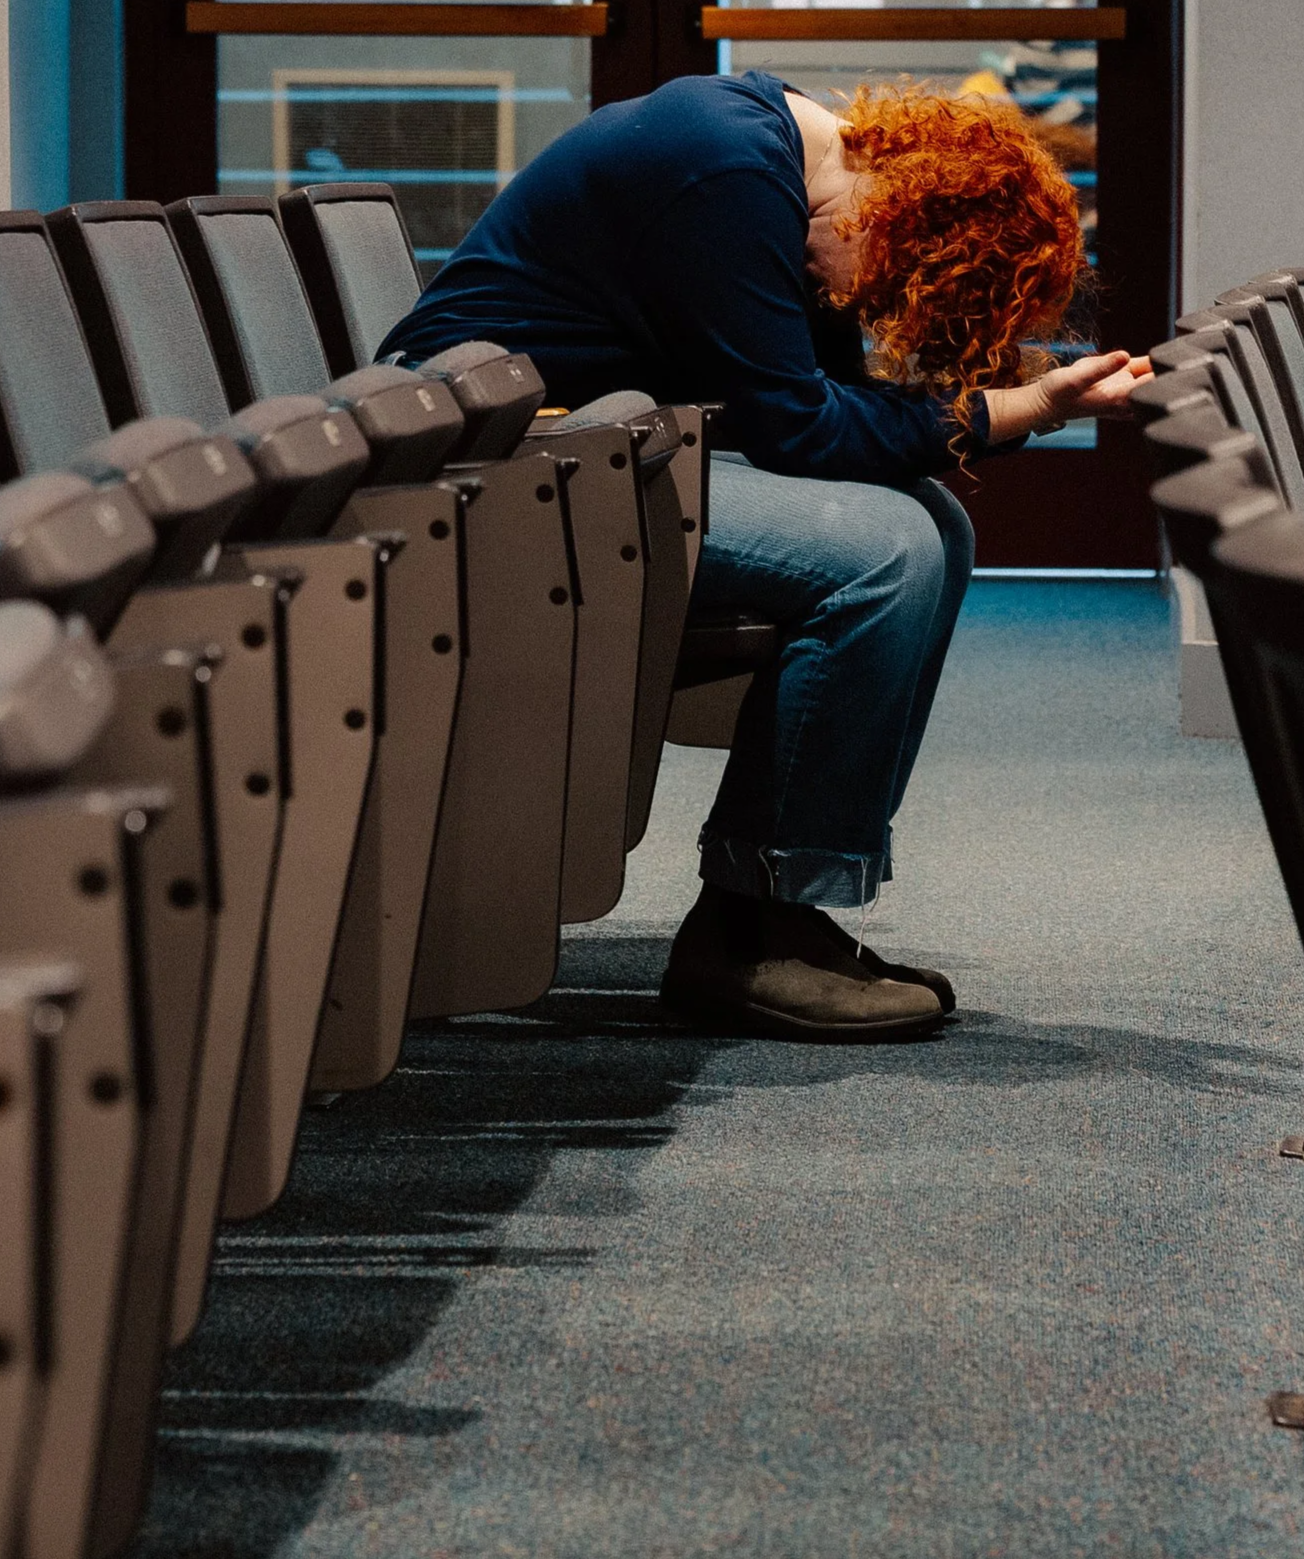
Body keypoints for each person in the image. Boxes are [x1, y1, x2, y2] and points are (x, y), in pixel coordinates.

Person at [378, 69, 1149, 1041]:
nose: (860, 296)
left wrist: (1010, 393)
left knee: (934, 527)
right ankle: (750, 934)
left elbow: (822, 405)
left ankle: (777, 910)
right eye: (893, 273)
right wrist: (1019, 409)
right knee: (886, 554)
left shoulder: (777, 161)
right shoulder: (724, 172)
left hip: (582, 454)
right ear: (898, 200)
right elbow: (801, 429)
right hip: (480, 477)